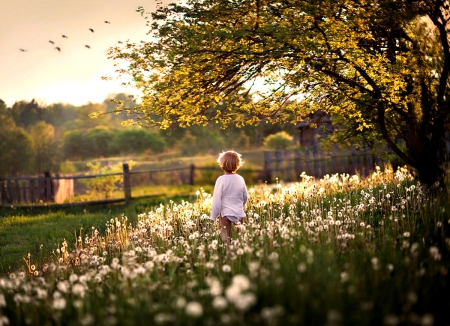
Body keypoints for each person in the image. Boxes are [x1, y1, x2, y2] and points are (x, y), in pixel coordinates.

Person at [210, 150, 248, 244]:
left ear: (222, 164)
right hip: (239, 212)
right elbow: (245, 197)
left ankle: (228, 253)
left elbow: (216, 201)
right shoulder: (240, 178)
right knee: (242, 236)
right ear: (237, 164)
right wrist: (240, 205)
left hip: (225, 214)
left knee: (226, 235)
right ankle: (242, 253)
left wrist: (213, 217)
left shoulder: (221, 180)